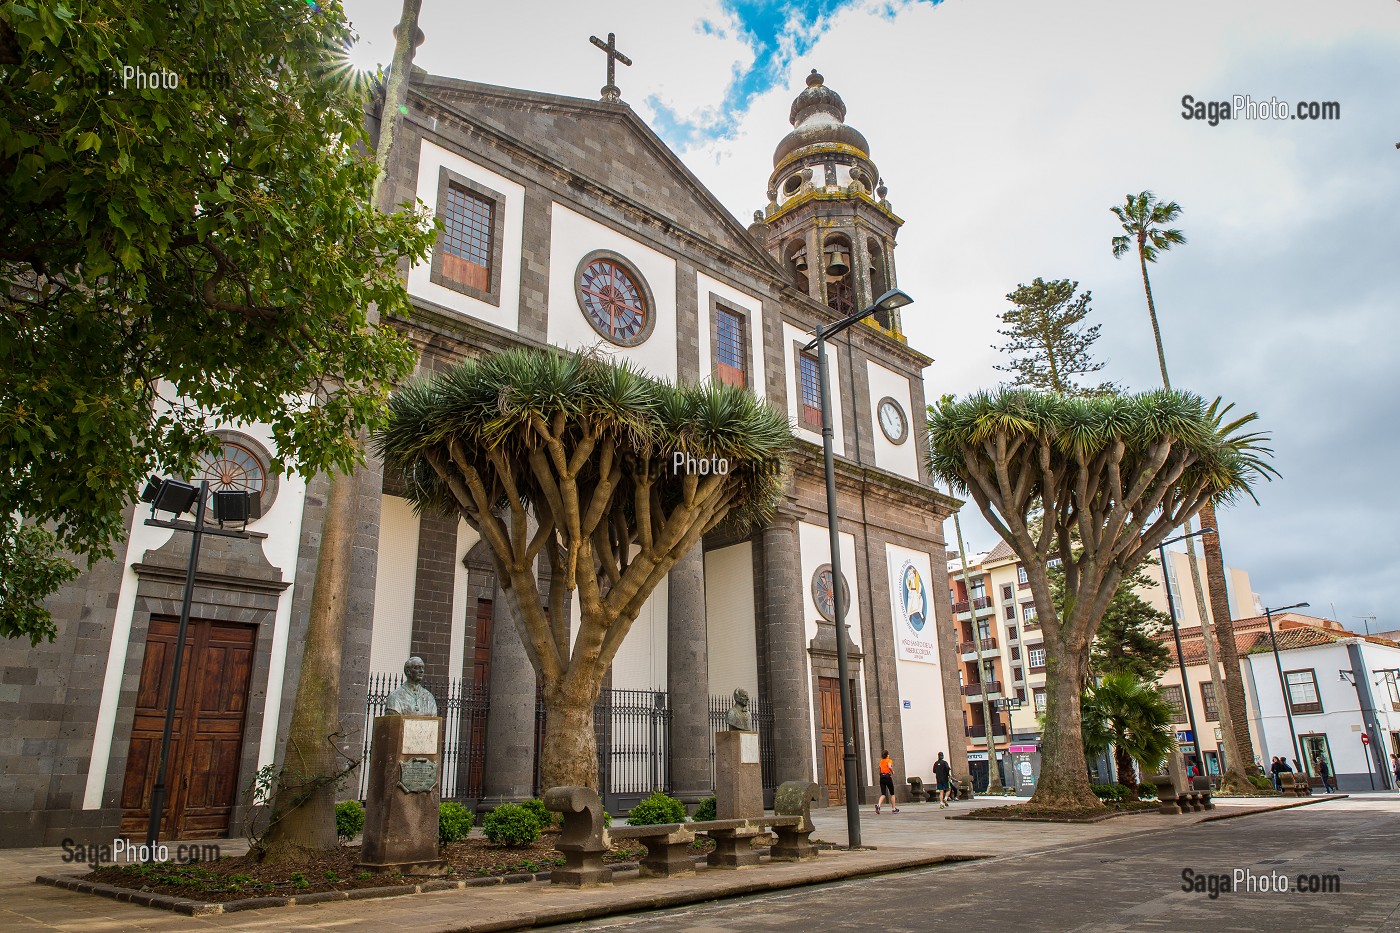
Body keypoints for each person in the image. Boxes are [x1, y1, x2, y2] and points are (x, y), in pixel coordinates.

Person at [875, 749, 900, 814]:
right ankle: (894, 808)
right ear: (887, 755)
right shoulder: (889, 760)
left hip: (882, 777)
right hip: (887, 777)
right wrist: (892, 771)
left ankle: (878, 805)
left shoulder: (881, 761)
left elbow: (880, 769)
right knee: (892, 793)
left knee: (883, 794)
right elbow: (889, 766)